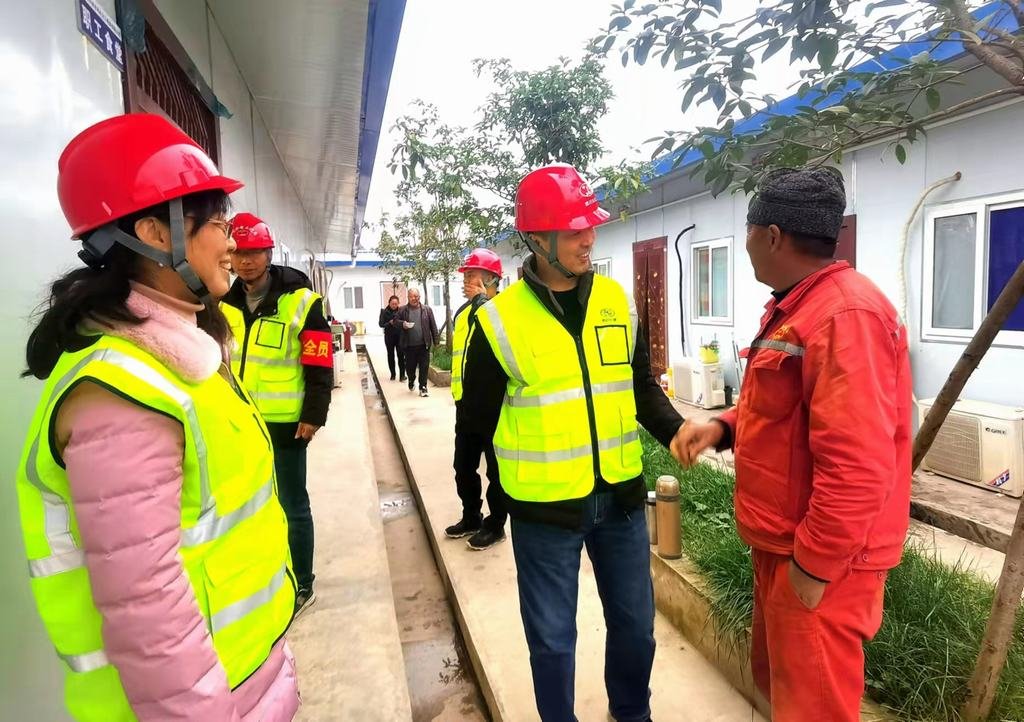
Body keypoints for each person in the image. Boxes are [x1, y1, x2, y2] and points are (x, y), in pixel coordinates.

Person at [15, 114, 298, 721]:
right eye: (218, 224)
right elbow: (146, 605)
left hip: (246, 677)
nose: (232, 244)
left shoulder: (178, 353)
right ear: (153, 232)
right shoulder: (120, 393)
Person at [676, 167, 912, 722]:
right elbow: (784, 407)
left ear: (773, 235)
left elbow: (857, 464)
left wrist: (813, 566)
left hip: (822, 560)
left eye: (748, 231)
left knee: (814, 708)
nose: (746, 244)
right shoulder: (799, 307)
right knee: (785, 691)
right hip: (784, 546)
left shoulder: (844, 316)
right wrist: (723, 427)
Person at [462, 164, 691, 721]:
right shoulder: (498, 322)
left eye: (590, 227)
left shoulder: (616, 301)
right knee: (552, 643)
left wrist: (679, 431)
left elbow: (639, 386)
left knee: (636, 628)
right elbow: (475, 422)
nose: (589, 238)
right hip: (543, 512)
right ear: (538, 239)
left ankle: (632, 713)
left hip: (621, 502)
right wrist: (480, 501)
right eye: (574, 230)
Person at [221, 213, 333, 618]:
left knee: (291, 504)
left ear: (269, 254)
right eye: (239, 253)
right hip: (237, 423)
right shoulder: (222, 302)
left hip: (286, 425)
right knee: (249, 502)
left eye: (254, 253)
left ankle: (302, 582)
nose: (246, 261)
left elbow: (320, 363)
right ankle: (266, 572)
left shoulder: (301, 302)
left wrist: (314, 413)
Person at [444, 248, 508, 551]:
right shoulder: (463, 313)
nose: (466, 281)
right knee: (463, 466)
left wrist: (483, 302)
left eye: (472, 275)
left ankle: (495, 525)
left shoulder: (503, 310)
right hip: (465, 405)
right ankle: (471, 516)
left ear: (491, 278)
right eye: (465, 275)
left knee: (496, 471)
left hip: (494, 407)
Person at [397, 288, 439, 397]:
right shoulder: (402, 310)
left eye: (416, 296)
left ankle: (423, 387)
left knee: (424, 367)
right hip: (409, 346)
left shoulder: (427, 310)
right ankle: (411, 379)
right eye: (412, 296)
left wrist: (436, 342)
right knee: (410, 368)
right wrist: (402, 324)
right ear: (408, 297)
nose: (414, 298)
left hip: (424, 345)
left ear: (419, 297)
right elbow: (395, 322)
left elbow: (433, 326)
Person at [378, 294, 406, 381]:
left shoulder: (401, 311)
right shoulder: (384, 311)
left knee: (401, 355)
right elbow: (381, 324)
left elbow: (404, 322)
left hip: (399, 336)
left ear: (398, 303)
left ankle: (402, 375)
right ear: (389, 303)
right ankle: (393, 374)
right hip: (389, 337)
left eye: (396, 304)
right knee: (390, 355)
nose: (394, 305)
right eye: (392, 304)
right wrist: (389, 323)